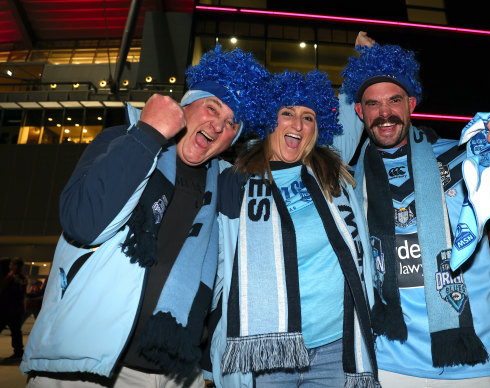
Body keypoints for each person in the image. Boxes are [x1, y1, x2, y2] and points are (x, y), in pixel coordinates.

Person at [20, 46, 269, 388]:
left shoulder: (227, 184)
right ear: (186, 105)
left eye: (231, 124)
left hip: (175, 374)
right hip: (87, 368)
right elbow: (83, 222)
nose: (218, 125)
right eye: (212, 108)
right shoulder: (126, 141)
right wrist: (148, 135)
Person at [336, 31, 490, 387]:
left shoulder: (463, 157)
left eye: (394, 100)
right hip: (391, 363)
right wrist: (362, 67)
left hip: (476, 361)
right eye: (373, 105)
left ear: (411, 104)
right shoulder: (347, 180)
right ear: (359, 112)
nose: (385, 114)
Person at [210, 70, 379, 387]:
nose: (298, 125)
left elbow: (350, 116)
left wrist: (361, 65)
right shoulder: (232, 182)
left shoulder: (334, 176)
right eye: (287, 113)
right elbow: (215, 266)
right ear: (269, 119)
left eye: (309, 117)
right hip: (265, 354)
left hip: (337, 349)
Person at [0, 258, 27, 363]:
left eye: (12, 264)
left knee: (15, 331)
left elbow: (4, 288)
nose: (10, 266)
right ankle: (18, 352)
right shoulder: (18, 277)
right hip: (12, 309)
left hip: (9, 309)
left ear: (16, 266)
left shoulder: (15, 278)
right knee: (16, 331)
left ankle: (18, 352)